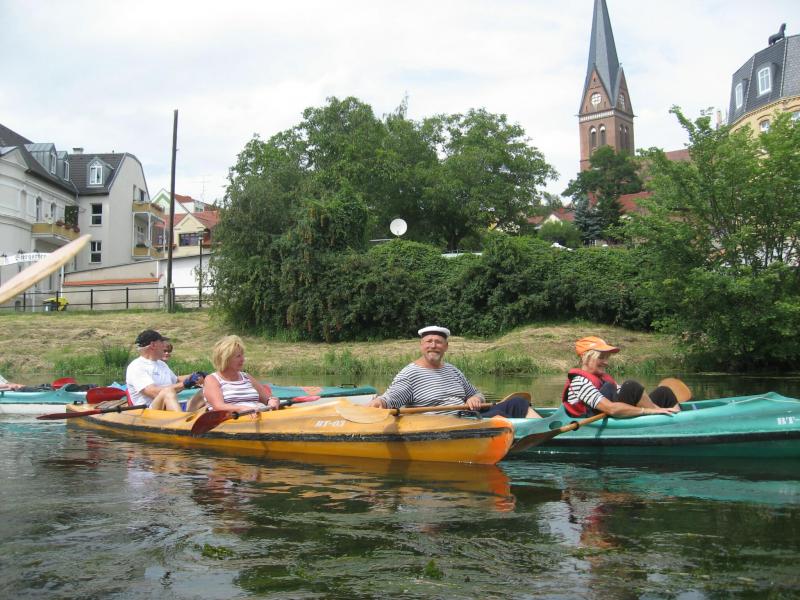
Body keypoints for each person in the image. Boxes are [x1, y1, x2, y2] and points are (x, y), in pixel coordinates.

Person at [367, 326, 540, 418]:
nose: (433, 345)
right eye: (429, 341)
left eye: (438, 342)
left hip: (468, 416)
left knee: (518, 403)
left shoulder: (453, 370)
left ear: (446, 347)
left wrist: (475, 398)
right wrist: (380, 402)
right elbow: (391, 398)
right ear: (421, 346)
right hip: (444, 424)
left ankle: (543, 432)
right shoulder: (410, 374)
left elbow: (477, 394)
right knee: (499, 415)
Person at [563, 336, 680, 418]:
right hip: (605, 418)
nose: (606, 362)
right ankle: (662, 419)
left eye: (607, 358)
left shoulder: (602, 378)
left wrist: (653, 408)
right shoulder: (579, 382)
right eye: (601, 357)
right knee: (631, 386)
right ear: (584, 357)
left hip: (617, 413)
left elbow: (625, 394)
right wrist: (648, 411)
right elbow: (611, 409)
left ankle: (679, 418)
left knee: (664, 392)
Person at [125, 329, 205, 411]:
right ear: (153, 345)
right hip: (149, 412)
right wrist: (185, 384)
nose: (164, 346)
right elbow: (154, 392)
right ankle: (181, 418)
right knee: (167, 392)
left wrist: (198, 375)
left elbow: (176, 381)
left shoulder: (161, 364)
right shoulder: (136, 367)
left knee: (205, 391)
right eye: (162, 342)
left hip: (169, 408)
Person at [202, 335, 279, 412]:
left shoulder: (246, 377)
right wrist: (242, 408)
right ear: (226, 359)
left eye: (242, 355)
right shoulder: (212, 379)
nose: (243, 359)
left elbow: (269, 398)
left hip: (256, 416)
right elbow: (218, 406)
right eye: (238, 356)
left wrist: (271, 400)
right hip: (230, 418)